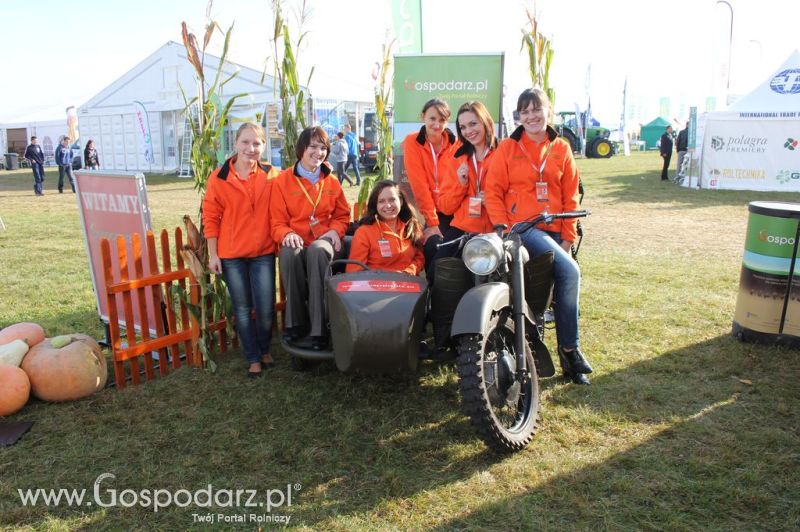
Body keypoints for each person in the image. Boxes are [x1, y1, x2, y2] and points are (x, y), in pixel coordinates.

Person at [484, 88, 593, 385]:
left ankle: (565, 356)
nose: (531, 116)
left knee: (561, 281)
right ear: (518, 116)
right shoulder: (507, 148)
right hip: (524, 227)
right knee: (570, 271)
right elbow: (492, 192)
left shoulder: (561, 148)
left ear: (549, 111)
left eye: (537, 109)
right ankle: (571, 350)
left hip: (557, 226)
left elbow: (571, 196)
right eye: (525, 111)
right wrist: (503, 227)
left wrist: (568, 239)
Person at [202, 123, 280, 379]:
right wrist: (213, 254)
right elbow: (211, 217)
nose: (251, 148)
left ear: (264, 146)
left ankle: (265, 348)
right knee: (243, 309)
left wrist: (323, 168)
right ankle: (253, 357)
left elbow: (294, 184)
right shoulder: (219, 177)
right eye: (245, 142)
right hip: (232, 254)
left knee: (266, 308)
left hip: (263, 252)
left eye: (257, 143)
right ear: (235, 144)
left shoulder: (271, 174)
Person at [270, 126, 351, 350]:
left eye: (323, 148)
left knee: (316, 250)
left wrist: (336, 230)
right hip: (297, 240)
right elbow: (276, 223)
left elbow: (343, 215)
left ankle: (319, 330)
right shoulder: (282, 181)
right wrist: (287, 234)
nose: (318, 152)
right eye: (313, 146)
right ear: (301, 149)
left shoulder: (332, 181)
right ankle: (295, 324)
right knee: (288, 252)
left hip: (324, 241)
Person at [402, 98, 459, 280]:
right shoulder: (412, 142)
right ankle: (433, 293)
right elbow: (420, 186)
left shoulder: (456, 144)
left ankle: (448, 294)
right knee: (433, 245)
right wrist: (433, 223)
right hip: (432, 212)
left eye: (442, 120)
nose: (436, 124)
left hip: (455, 209)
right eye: (432, 118)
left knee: (457, 248)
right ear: (423, 117)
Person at [346, 180, 424, 275]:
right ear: (376, 205)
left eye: (392, 200)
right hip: (375, 285)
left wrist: (409, 272)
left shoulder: (412, 227)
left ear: (401, 201)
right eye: (381, 201)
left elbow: (419, 257)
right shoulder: (364, 232)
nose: (387, 205)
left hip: (407, 284)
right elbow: (354, 271)